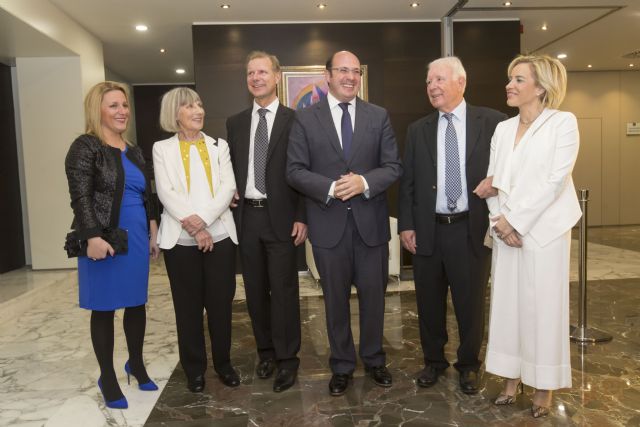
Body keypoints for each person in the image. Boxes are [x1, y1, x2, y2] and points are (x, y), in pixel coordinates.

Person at [287, 50, 402, 396]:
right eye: (342, 70)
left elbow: (393, 166)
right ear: (328, 75)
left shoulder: (378, 115)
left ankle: (375, 359)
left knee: (374, 299)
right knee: (334, 302)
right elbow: (294, 170)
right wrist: (331, 188)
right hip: (328, 228)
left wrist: (363, 182)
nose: (350, 77)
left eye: (355, 71)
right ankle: (341, 365)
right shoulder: (305, 119)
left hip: (371, 228)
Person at [478, 54, 580, 418]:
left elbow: (553, 181)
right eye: (511, 78)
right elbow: (493, 182)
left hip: (545, 232)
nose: (509, 85)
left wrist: (516, 223)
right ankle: (510, 379)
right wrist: (500, 223)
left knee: (543, 309)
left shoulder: (563, 123)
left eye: (519, 79)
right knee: (508, 306)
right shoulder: (503, 129)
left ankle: (543, 386)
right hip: (506, 230)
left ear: (541, 87)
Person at [398, 56, 507, 394]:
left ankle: (469, 365)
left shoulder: (494, 122)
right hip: (428, 229)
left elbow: (511, 168)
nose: (432, 86)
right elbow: (408, 183)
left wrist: (498, 182)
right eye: (429, 81)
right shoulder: (418, 130)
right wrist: (406, 225)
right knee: (428, 303)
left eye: (439, 79)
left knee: (470, 303)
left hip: (469, 229)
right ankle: (433, 361)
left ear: (462, 82)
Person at [65, 81, 160, 410]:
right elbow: (80, 196)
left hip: (136, 237)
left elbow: (146, 193)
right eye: (114, 106)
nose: (123, 111)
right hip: (104, 238)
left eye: (125, 105)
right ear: (98, 110)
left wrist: (153, 227)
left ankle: (136, 364)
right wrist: (92, 236)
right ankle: (107, 376)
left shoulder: (133, 150)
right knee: (104, 308)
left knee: (136, 303)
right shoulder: (85, 147)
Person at [226, 51, 307, 393]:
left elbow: (304, 170)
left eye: (262, 72)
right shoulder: (235, 123)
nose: (256, 78)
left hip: (282, 218)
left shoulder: (296, 120)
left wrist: (302, 216)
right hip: (247, 218)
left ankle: (288, 360)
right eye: (250, 73)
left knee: (284, 291)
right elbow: (229, 167)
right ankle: (266, 353)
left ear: (276, 76)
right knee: (255, 291)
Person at [153, 87, 240, 393]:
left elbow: (228, 188)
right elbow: (166, 192)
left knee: (221, 306)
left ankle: (224, 364)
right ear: (174, 113)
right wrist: (195, 227)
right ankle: (194, 370)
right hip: (180, 240)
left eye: (199, 104)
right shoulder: (161, 149)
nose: (198, 111)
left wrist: (202, 221)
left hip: (220, 236)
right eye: (189, 106)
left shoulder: (219, 146)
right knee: (187, 308)